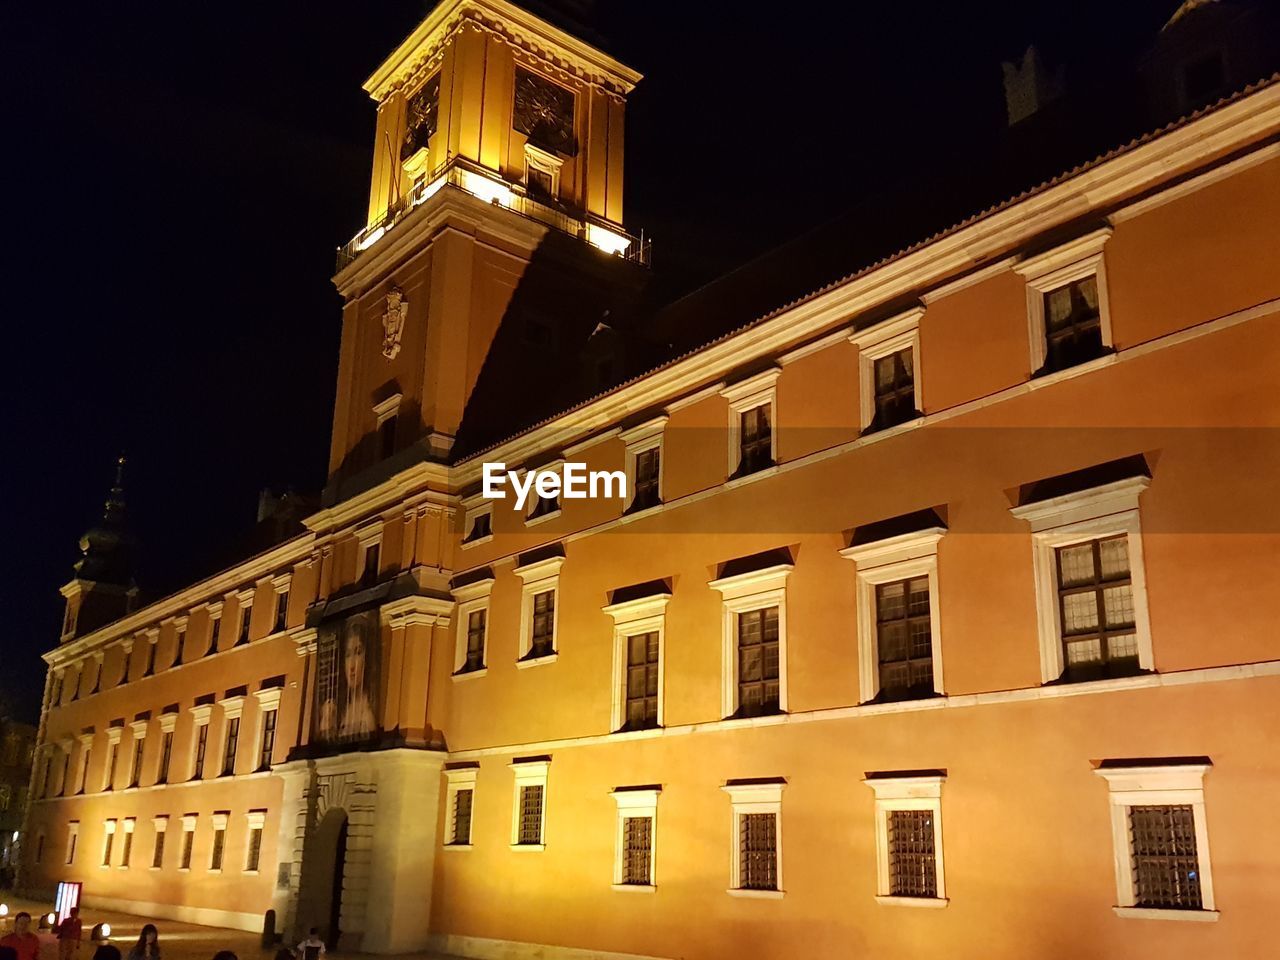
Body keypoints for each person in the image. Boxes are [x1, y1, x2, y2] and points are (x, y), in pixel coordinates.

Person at [338, 621, 376, 739]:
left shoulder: (369, 711)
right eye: (348, 655)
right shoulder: (339, 711)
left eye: (358, 652)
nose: (352, 665)